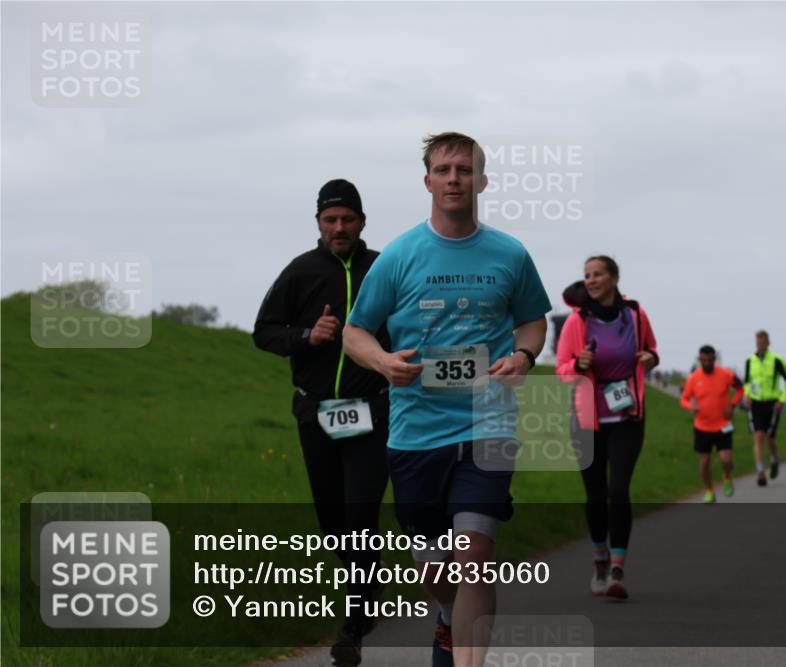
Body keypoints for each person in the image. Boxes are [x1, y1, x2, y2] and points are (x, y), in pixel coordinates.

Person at [342, 132, 550, 667]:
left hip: (489, 424)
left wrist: (524, 358)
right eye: (444, 169)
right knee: (436, 570)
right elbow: (355, 332)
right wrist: (384, 362)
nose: (454, 178)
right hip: (415, 432)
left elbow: (532, 320)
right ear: (428, 181)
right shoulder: (399, 255)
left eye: (464, 170)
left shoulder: (510, 253)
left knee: (475, 557)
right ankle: (446, 617)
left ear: (482, 180)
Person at [252, 179, 389, 666]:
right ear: (318, 224)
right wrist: (307, 334)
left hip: (373, 411)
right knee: (333, 524)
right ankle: (367, 584)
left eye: (347, 219)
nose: (339, 228)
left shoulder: (382, 268)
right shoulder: (300, 271)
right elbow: (263, 332)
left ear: (362, 222)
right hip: (317, 413)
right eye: (330, 220)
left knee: (360, 515)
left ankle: (355, 618)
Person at [556, 256, 659, 599]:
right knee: (596, 495)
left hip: (627, 414)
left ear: (614, 278)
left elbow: (651, 349)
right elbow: (562, 371)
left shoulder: (634, 313)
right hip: (588, 419)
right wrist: (577, 363)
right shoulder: (577, 320)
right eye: (587, 275)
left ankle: (617, 569)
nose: (591, 280)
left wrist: (649, 358)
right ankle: (599, 558)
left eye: (598, 274)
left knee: (618, 491)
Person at [679, 345, 744, 503]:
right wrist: (691, 407)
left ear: (715, 359)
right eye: (704, 360)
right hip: (702, 426)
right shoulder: (693, 378)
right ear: (700, 360)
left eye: (710, 360)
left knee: (726, 460)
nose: (707, 363)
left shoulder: (726, 374)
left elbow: (740, 389)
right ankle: (709, 490)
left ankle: (727, 477)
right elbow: (684, 399)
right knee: (704, 462)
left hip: (723, 425)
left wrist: (733, 405)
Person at [742, 330, 786, 487]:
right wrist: (747, 396)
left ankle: (775, 458)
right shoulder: (750, 361)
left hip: (772, 403)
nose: (761, 346)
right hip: (756, 403)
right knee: (758, 436)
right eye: (758, 343)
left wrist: (782, 400)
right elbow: (747, 382)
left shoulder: (777, 360)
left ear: (768, 343)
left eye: (763, 343)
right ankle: (760, 472)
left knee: (770, 438)